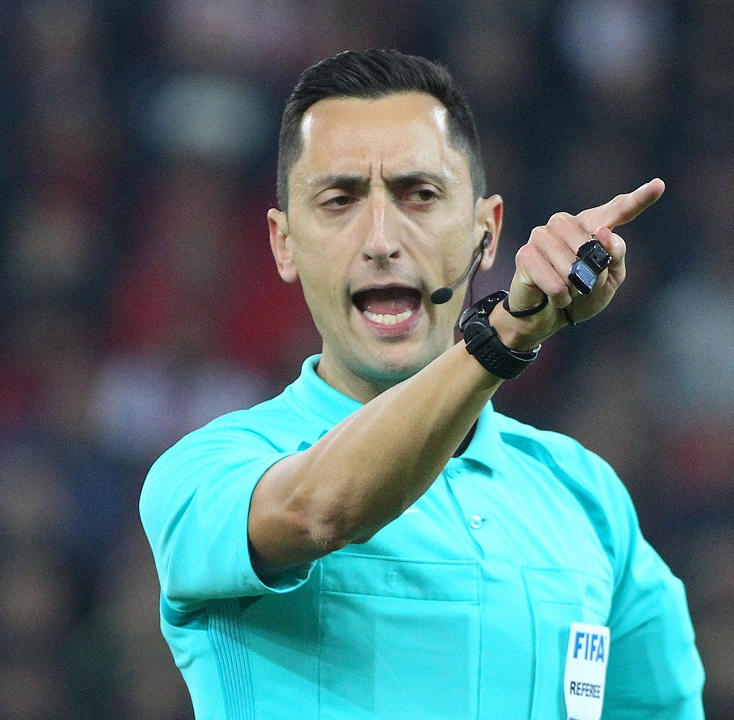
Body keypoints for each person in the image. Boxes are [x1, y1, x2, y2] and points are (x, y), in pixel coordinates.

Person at [139, 48, 704, 719]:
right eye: (340, 200)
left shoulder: (587, 498)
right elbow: (321, 510)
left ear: (486, 233)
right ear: (284, 243)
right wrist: (502, 338)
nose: (381, 239)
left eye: (420, 195)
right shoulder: (207, 471)